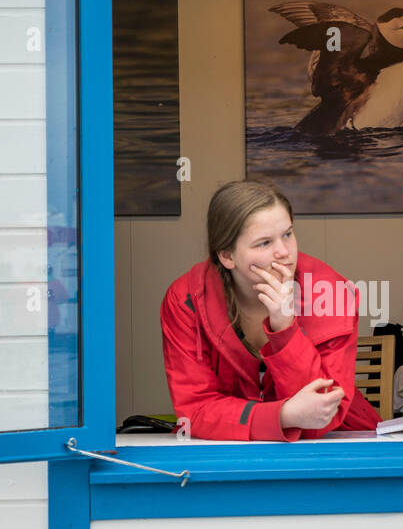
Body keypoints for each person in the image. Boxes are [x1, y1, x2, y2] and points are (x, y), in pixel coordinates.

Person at [160, 180, 383, 441]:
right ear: (227, 256)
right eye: (264, 243)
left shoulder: (332, 292)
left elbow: (324, 414)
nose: (284, 252)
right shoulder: (186, 300)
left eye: (287, 234)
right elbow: (195, 410)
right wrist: (283, 415)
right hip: (234, 452)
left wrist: (285, 328)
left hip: (341, 445)